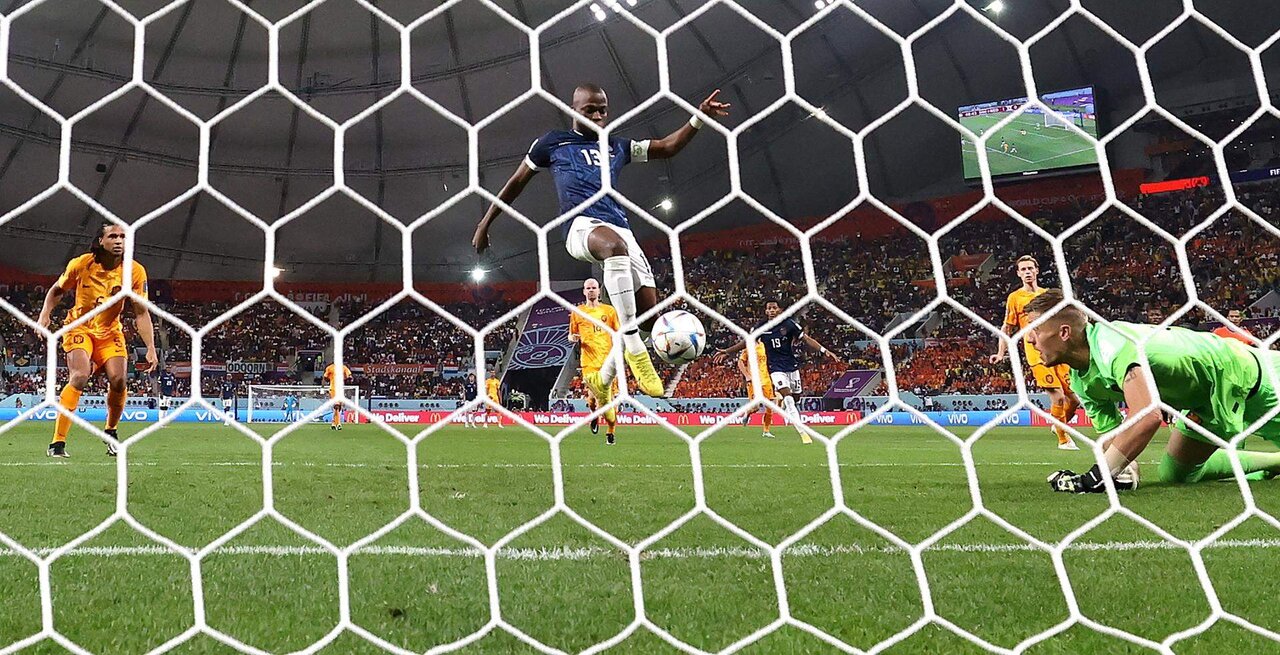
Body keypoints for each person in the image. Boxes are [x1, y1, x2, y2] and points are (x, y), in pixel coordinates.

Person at [473, 83, 730, 407]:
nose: (598, 115)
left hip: (621, 230)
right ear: (574, 111)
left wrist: (699, 117)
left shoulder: (616, 146)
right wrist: (486, 222)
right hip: (580, 228)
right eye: (589, 110)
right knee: (614, 249)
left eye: (602, 109)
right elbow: (516, 182)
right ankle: (635, 350)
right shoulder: (552, 143)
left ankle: (602, 379)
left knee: (649, 320)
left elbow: (667, 147)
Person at [1021, 290, 1280, 493]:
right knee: (1176, 474)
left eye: (1036, 329)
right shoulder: (1081, 380)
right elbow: (1114, 440)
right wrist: (1123, 475)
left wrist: (1096, 477)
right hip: (1208, 399)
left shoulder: (1113, 343)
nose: (1029, 339)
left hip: (1253, 378)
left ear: (1064, 332)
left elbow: (1148, 416)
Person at [36, 223, 157, 457]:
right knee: (80, 375)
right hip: (79, 327)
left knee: (119, 379)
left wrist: (151, 347)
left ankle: (110, 431)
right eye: (113, 236)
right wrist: (44, 315)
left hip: (111, 331)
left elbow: (141, 312)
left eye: (123, 236)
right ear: (101, 241)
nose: (119, 240)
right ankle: (57, 443)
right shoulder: (82, 264)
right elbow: (57, 290)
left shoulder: (135, 271)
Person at [715, 301, 845, 445]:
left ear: (779, 310)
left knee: (796, 398)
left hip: (791, 366)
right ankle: (803, 432)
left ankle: (786, 406)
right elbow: (747, 342)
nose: (771, 310)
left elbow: (806, 339)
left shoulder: (789, 324)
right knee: (788, 398)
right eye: (768, 308)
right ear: (766, 311)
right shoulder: (761, 327)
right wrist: (728, 351)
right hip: (775, 368)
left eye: (774, 308)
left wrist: (824, 350)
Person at [990, 255, 1081, 450]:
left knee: (1073, 399)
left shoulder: (1047, 295)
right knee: (1057, 397)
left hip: (1058, 350)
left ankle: (1058, 425)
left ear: (1037, 270)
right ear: (1018, 273)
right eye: (1023, 269)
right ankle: (1063, 440)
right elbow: (1006, 328)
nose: (1027, 272)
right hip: (1037, 353)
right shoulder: (1015, 298)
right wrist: (1000, 352)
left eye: (1030, 268)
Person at [568, 278, 619, 444]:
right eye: (588, 288)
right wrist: (573, 338)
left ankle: (610, 432)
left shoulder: (609, 311)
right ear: (584, 291)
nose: (591, 290)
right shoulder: (578, 312)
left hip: (609, 362)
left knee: (610, 400)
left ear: (599, 291)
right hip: (589, 363)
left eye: (594, 288)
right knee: (592, 399)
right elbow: (571, 334)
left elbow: (618, 333)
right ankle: (594, 414)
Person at [737, 341, 775, 439]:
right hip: (754, 381)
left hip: (766, 379)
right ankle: (748, 412)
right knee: (756, 407)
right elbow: (740, 362)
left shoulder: (763, 345)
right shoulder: (748, 347)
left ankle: (766, 431)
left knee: (770, 405)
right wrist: (747, 376)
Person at [322, 363, 352, 430]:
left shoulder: (344, 368)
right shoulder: (330, 368)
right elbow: (325, 377)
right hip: (333, 389)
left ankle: (333, 422)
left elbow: (349, 376)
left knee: (339, 407)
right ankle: (338, 424)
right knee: (337, 406)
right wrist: (323, 386)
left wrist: (349, 378)